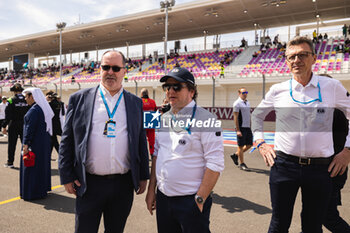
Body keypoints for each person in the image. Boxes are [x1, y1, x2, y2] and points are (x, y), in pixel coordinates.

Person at [251, 36, 350, 233]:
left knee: (312, 226)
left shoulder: (332, 87)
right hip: (284, 166)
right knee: (279, 224)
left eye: (302, 55)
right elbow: (257, 115)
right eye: (291, 57)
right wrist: (260, 142)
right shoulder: (278, 90)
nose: (296, 60)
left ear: (314, 58)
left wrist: (347, 150)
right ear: (287, 61)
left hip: (320, 169)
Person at [59, 50, 149, 233]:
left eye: (116, 68)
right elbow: (67, 139)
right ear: (99, 69)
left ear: (124, 71)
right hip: (88, 184)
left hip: (123, 185)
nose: (110, 72)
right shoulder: (79, 99)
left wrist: (143, 176)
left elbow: (140, 139)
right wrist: (66, 174)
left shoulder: (135, 103)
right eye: (105, 67)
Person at [145, 67, 224, 233]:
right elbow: (156, 154)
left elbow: (215, 164)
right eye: (167, 87)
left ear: (191, 91)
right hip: (164, 198)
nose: (170, 91)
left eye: (177, 87)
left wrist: (200, 199)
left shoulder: (207, 119)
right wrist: (151, 190)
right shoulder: (162, 118)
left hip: (191, 200)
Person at [20, 88, 54, 201]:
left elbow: (30, 129)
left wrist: (25, 144)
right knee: (39, 167)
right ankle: (40, 190)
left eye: (26, 96)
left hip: (33, 144)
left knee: (31, 168)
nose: (25, 99)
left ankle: (32, 193)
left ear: (32, 96)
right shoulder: (41, 109)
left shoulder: (34, 110)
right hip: (41, 143)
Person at [2, 83, 29, 168]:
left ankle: (10, 162)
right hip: (24, 124)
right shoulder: (26, 99)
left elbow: (8, 115)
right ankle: (27, 161)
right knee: (25, 144)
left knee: (12, 144)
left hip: (13, 124)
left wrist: (4, 126)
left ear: (13, 91)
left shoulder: (10, 100)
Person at [231, 88, 253, 171]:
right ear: (239, 93)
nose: (245, 94)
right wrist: (238, 130)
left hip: (247, 127)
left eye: (246, 92)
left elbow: (248, 115)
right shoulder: (237, 103)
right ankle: (242, 164)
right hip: (241, 127)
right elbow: (235, 117)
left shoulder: (248, 102)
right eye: (243, 92)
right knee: (240, 146)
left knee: (249, 145)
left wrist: (250, 125)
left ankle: (236, 155)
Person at [140, 88, 157, 157]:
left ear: (141, 94)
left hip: (142, 124)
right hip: (151, 123)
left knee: (142, 142)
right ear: (148, 94)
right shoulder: (153, 102)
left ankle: (143, 156)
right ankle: (153, 155)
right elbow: (156, 111)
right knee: (152, 141)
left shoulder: (139, 101)